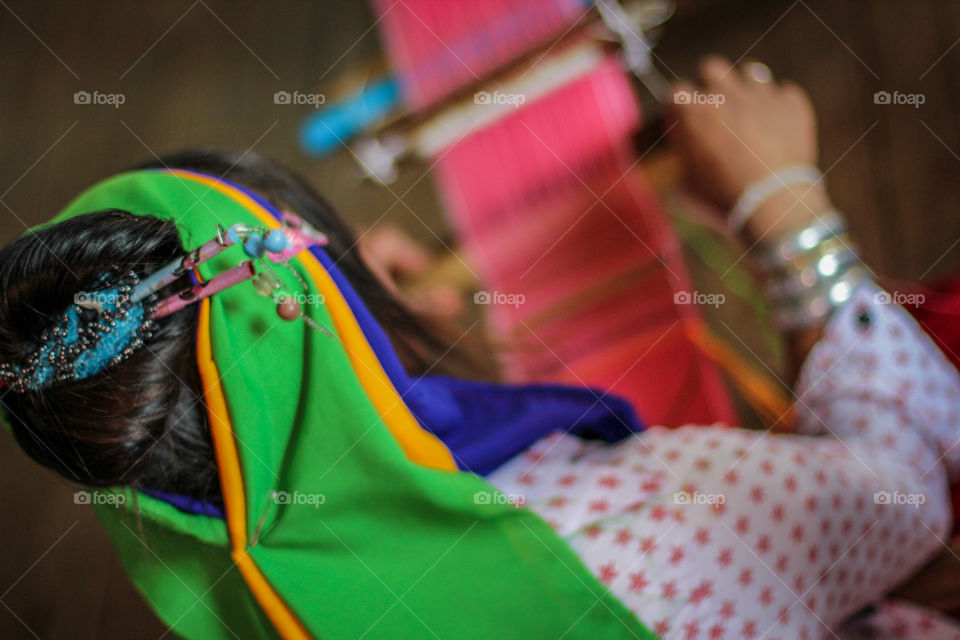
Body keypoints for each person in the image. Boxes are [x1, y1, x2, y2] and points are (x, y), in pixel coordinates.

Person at [1, 56, 959, 639]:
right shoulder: (668, 537)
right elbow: (910, 492)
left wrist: (387, 371)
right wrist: (788, 210)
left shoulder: (253, 587)